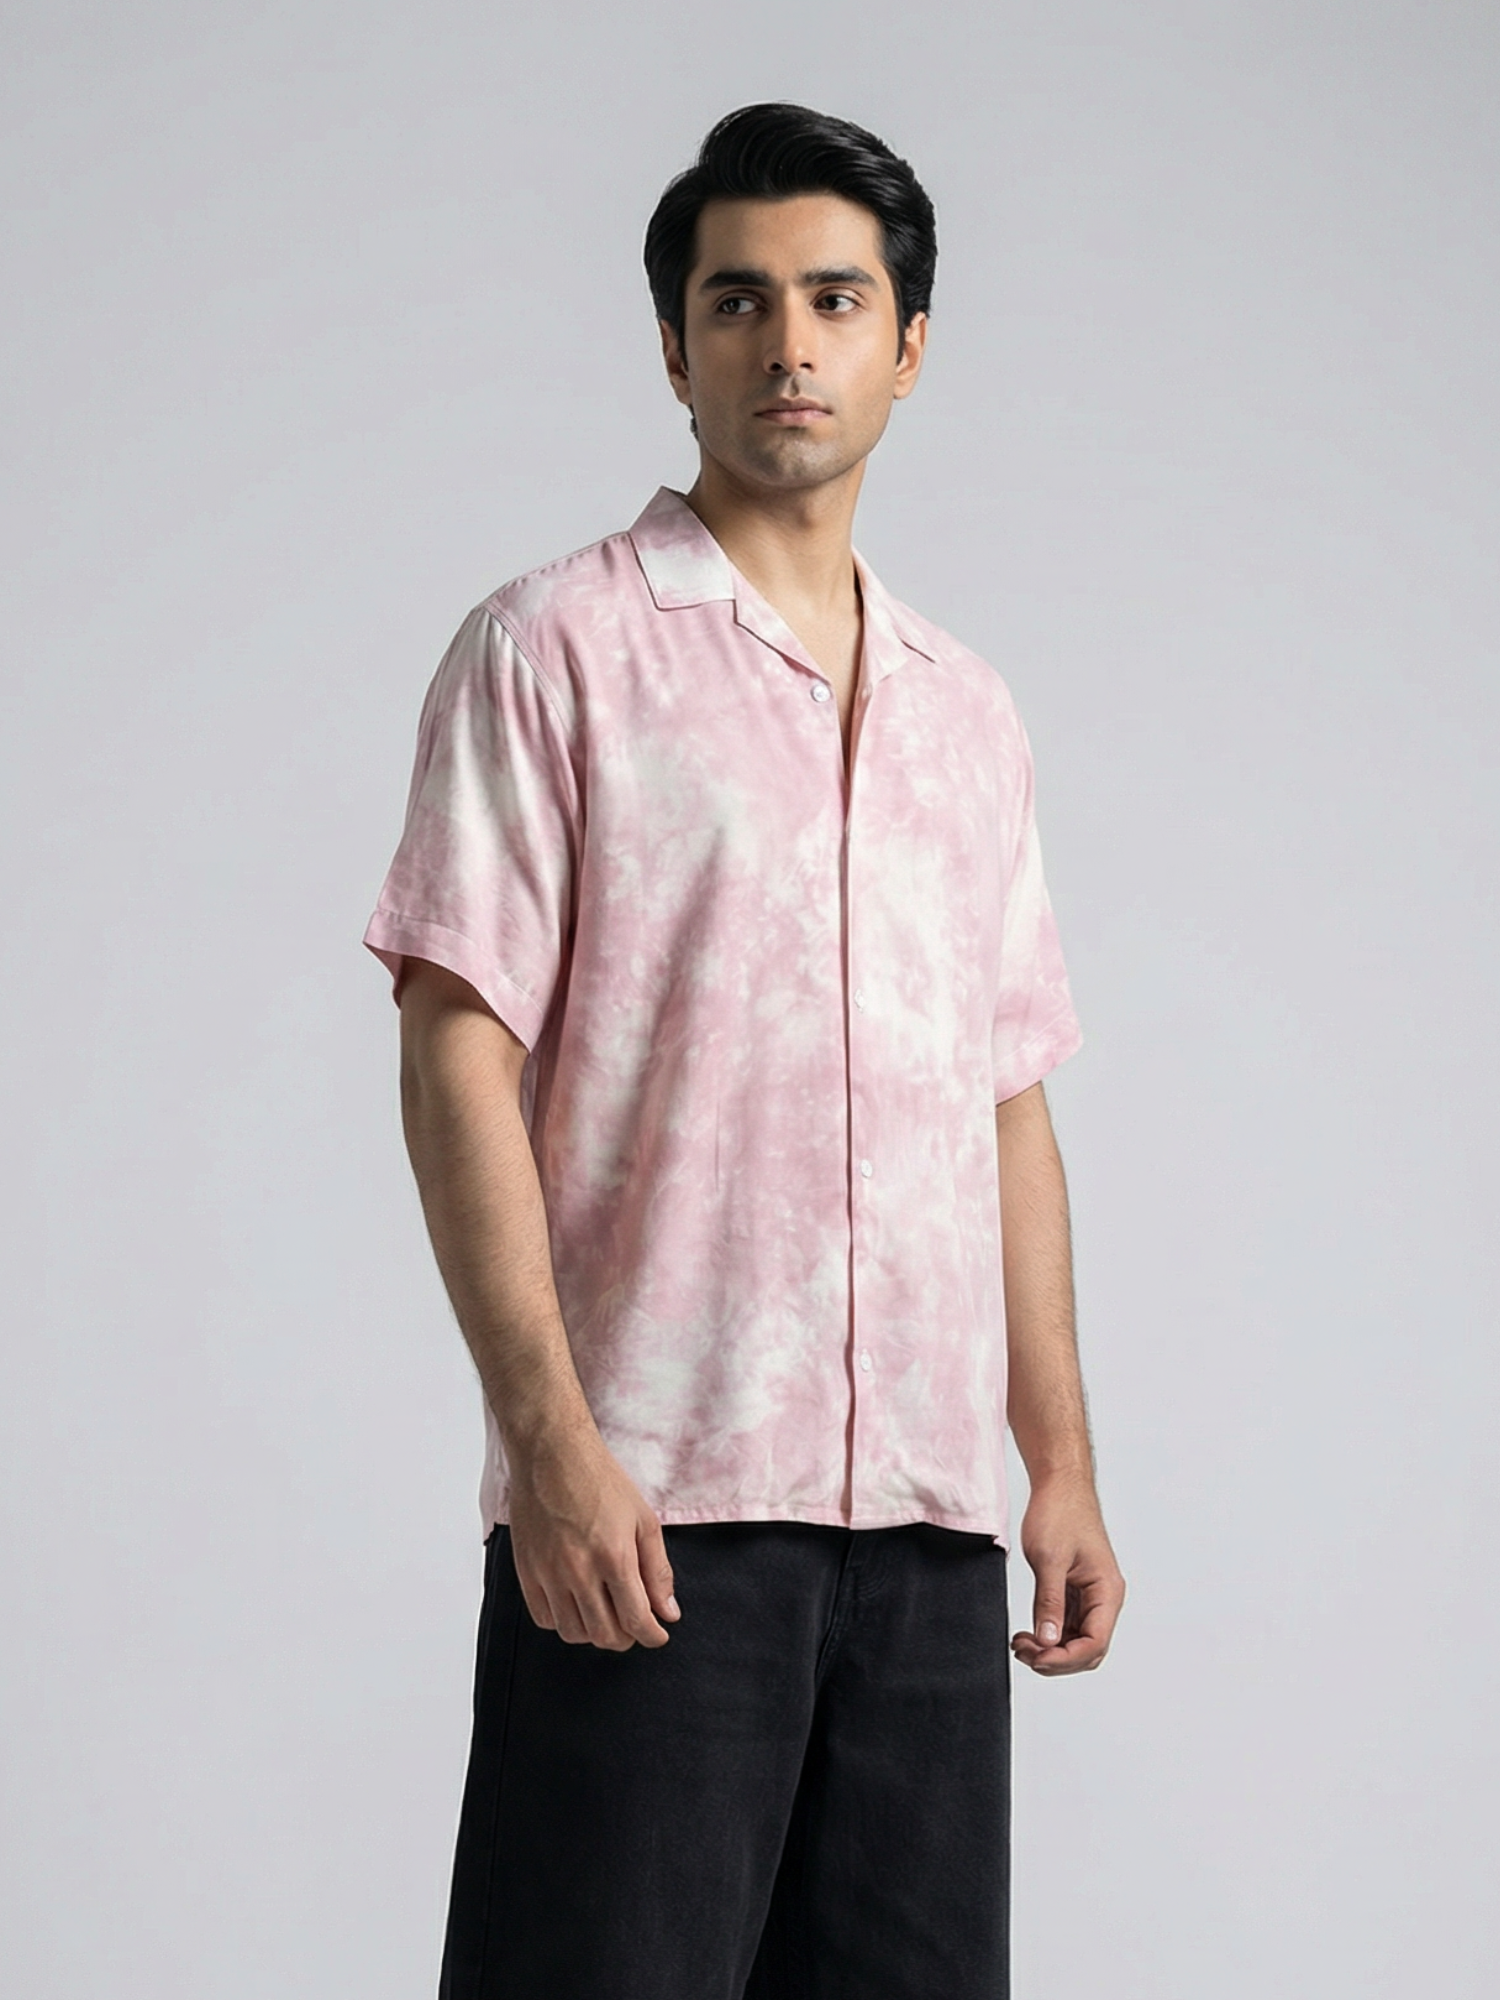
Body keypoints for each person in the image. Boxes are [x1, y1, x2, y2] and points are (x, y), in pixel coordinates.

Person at [363, 99, 1125, 2000]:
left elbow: (1007, 1104)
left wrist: (1058, 1464)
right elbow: (456, 1052)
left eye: (837, 300)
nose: (790, 344)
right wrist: (553, 1451)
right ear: (674, 343)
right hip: (654, 1519)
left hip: (932, 1541)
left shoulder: (971, 715)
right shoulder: (554, 652)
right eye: (740, 300)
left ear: (908, 346)